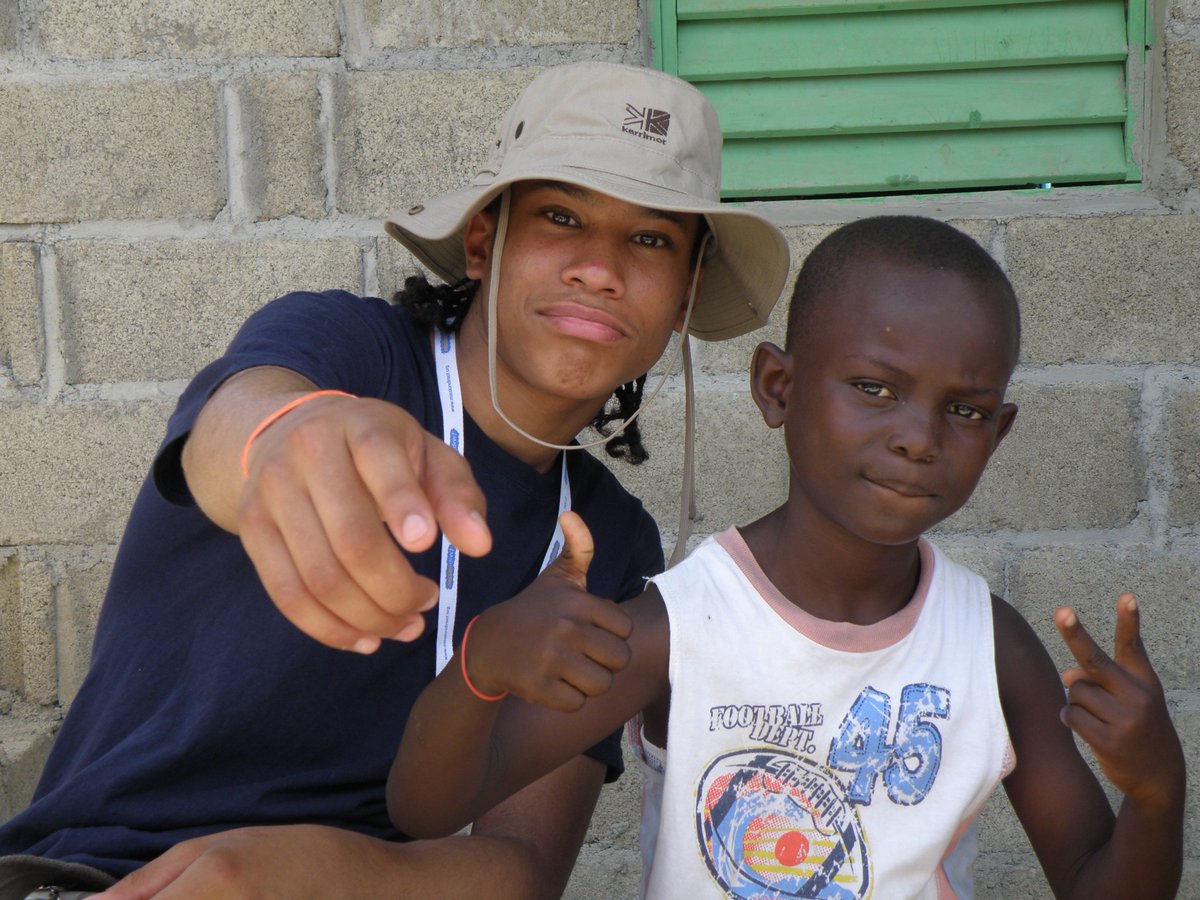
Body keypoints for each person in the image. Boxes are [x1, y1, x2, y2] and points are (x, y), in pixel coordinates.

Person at [0, 61, 791, 900]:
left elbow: (521, 870)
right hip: (96, 875)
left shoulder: (605, 539)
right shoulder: (350, 353)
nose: (599, 269)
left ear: (685, 296)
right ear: (483, 244)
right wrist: (285, 440)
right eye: (562, 217)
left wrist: (310, 870)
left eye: (652, 239)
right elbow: (239, 431)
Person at [388, 215, 1186, 899]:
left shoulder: (990, 646)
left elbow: (1095, 883)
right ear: (778, 387)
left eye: (966, 410)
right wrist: (481, 663)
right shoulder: (682, 627)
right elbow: (426, 808)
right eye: (875, 389)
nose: (918, 438)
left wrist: (1157, 792)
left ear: (998, 433)